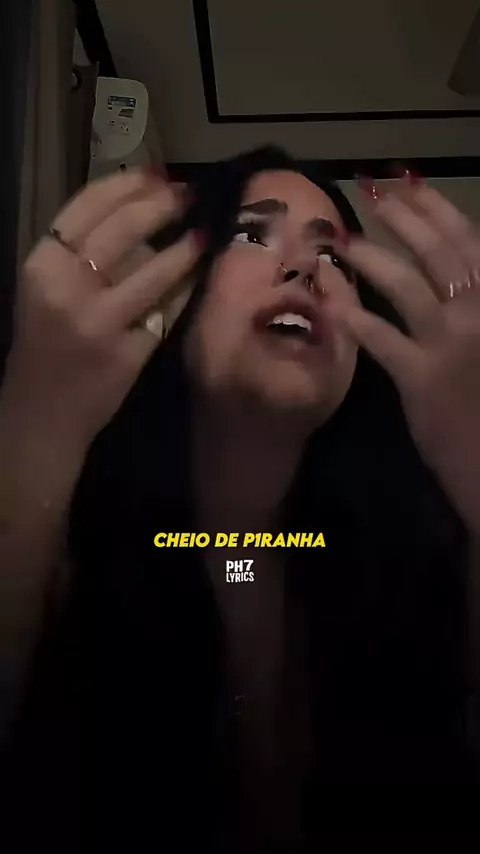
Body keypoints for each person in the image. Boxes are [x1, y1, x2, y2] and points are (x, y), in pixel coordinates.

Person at [0, 145, 479, 850]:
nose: (303, 268)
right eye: (253, 234)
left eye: (334, 256)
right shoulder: (61, 549)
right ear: (174, 296)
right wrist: (33, 429)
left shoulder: (420, 565)